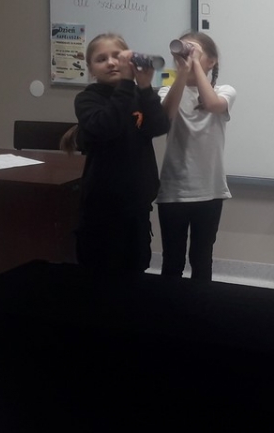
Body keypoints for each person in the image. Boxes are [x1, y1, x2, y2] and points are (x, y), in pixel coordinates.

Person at [64, 32, 170, 275]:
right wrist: (126, 83)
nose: (111, 63)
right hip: (102, 204)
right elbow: (106, 126)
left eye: (117, 57)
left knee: (135, 266)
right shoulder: (87, 98)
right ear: (91, 69)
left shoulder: (139, 95)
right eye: (101, 59)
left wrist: (145, 87)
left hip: (136, 202)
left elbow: (159, 126)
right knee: (100, 269)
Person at [156, 32, 235, 281]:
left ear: (211, 61)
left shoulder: (224, 91)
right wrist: (183, 71)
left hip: (210, 191)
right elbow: (165, 116)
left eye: (196, 52)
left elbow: (212, 105)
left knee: (201, 258)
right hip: (174, 190)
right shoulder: (168, 90)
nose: (188, 56)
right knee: (172, 259)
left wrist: (196, 65)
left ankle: (201, 303)